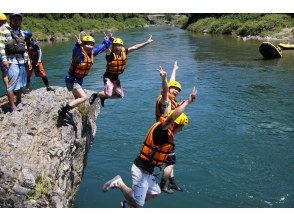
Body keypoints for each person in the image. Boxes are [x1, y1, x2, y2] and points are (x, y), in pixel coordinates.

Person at [102, 82, 197, 208]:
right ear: (176, 125)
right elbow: (172, 116)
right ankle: (119, 183)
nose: (181, 130)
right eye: (181, 127)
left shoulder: (168, 135)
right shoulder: (162, 130)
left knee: (155, 192)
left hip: (148, 171)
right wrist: (187, 102)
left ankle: (128, 205)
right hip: (141, 169)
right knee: (138, 203)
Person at [58, 33, 112, 120]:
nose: (90, 46)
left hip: (78, 80)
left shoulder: (92, 52)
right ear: (83, 44)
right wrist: (77, 45)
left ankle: (70, 114)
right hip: (72, 79)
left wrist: (108, 40)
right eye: (87, 44)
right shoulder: (79, 55)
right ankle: (63, 111)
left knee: (78, 99)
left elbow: (103, 47)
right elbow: (75, 52)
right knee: (84, 97)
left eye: (91, 44)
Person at [89, 35, 153, 107]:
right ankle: (96, 95)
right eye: (115, 46)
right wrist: (107, 41)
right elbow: (107, 49)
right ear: (113, 46)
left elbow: (136, 47)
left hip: (116, 78)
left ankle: (103, 96)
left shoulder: (124, 52)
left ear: (121, 46)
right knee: (109, 94)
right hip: (108, 77)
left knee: (120, 95)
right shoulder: (110, 54)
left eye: (119, 46)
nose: (117, 47)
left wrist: (147, 42)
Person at [155, 62, 184, 193]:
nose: (176, 91)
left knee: (169, 160)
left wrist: (174, 69)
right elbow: (167, 89)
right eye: (175, 89)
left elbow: (172, 84)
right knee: (171, 162)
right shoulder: (165, 100)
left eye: (178, 90)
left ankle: (172, 182)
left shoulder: (172, 99)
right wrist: (163, 79)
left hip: (165, 133)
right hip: (164, 134)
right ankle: (163, 184)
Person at [0, 13, 31, 111]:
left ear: (20, 21)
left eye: (18, 19)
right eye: (14, 19)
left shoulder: (21, 33)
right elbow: (1, 46)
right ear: (11, 20)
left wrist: (28, 60)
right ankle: (12, 106)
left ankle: (19, 101)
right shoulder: (4, 30)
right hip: (11, 60)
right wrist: (4, 59)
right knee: (12, 83)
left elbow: (24, 48)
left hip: (22, 60)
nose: (16, 21)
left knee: (21, 82)